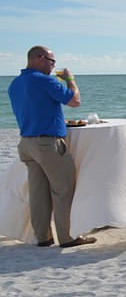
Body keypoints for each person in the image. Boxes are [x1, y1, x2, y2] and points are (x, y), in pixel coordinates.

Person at [7, 46, 97, 248]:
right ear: (40, 59)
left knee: (38, 193)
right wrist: (69, 79)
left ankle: (43, 236)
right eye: (51, 61)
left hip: (27, 142)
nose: (53, 65)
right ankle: (67, 237)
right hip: (47, 143)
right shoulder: (44, 80)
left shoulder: (15, 83)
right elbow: (75, 101)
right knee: (63, 190)